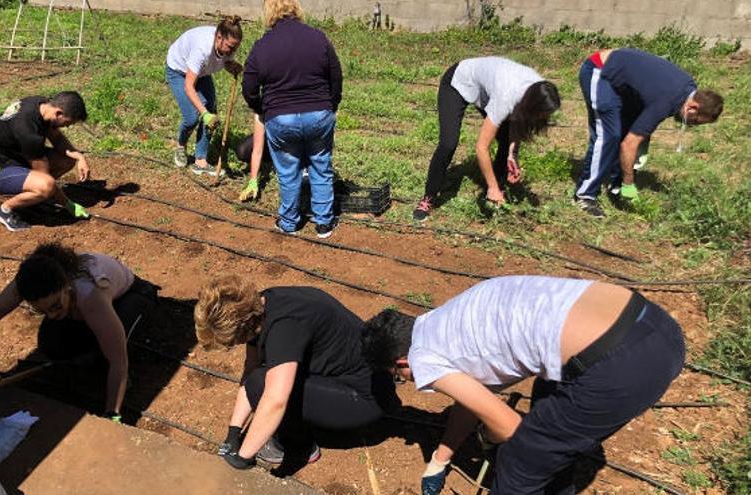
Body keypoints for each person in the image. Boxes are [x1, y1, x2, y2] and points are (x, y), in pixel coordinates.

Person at [363, 275, 685, 494]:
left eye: (398, 377)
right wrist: (440, 459)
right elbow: (472, 398)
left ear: (402, 363)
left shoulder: (423, 358)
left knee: (519, 458)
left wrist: (489, 436)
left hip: (624, 365)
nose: (406, 379)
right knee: (546, 400)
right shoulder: (443, 322)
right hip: (654, 324)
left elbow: (507, 426)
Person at [0, 243, 160, 420]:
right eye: (43, 310)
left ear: (66, 287)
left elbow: (119, 362)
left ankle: (104, 358)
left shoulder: (91, 295)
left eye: (56, 306)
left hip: (133, 297)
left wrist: (113, 414)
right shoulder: (31, 280)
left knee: (109, 352)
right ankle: (90, 345)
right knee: (52, 345)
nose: (51, 315)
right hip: (78, 308)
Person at [194, 276, 398, 470]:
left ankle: (299, 447)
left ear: (242, 326)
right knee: (261, 377)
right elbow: (251, 368)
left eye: (232, 342)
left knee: (263, 384)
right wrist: (233, 433)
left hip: (365, 398)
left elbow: (276, 400)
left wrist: (243, 456)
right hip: (348, 378)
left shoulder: (284, 328)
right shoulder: (259, 307)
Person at [574, 48, 723, 218]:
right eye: (695, 121)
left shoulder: (688, 91)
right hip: (600, 70)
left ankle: (616, 186)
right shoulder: (667, 101)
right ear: (692, 108)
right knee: (609, 135)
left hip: (625, 87)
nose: (691, 125)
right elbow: (629, 144)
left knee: (631, 130)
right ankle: (585, 195)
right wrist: (629, 183)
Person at [413, 57, 561, 222]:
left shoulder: (539, 88)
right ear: (533, 105)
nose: (543, 119)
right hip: (457, 82)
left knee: (505, 142)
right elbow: (481, 148)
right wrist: (491, 187)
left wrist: (513, 154)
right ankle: (429, 198)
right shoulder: (506, 96)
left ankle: (496, 188)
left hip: (486, 91)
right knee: (448, 143)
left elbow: (517, 120)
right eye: (541, 115)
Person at [242, 0, 342, 238]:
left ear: (269, 12)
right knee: (321, 165)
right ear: (296, 9)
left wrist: (263, 109)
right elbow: (335, 76)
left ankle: (289, 222)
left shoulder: (262, 46)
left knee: (288, 171)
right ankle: (324, 223)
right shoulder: (318, 38)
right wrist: (331, 105)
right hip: (319, 113)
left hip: (281, 117)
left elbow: (249, 88)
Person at [0, 91, 91, 232]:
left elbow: (58, 139)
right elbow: (45, 177)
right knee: (45, 186)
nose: (67, 127)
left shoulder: (41, 105)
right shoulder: (27, 131)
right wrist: (68, 204)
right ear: (59, 113)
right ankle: (4, 210)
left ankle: (34, 199)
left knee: (67, 159)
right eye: (67, 123)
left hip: (15, 157)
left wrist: (79, 157)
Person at [166, 16, 244, 176]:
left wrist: (232, 66)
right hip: (178, 71)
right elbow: (188, 87)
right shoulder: (202, 49)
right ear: (219, 38)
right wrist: (204, 114)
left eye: (235, 48)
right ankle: (180, 146)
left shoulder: (226, 47)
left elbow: (224, 61)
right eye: (230, 47)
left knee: (211, 113)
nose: (232, 52)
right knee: (191, 118)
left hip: (202, 73)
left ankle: (200, 161)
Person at [234, 114, 271, 202]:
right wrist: (253, 180)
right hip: (269, 133)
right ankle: (267, 160)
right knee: (242, 151)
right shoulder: (262, 105)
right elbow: (257, 147)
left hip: (290, 137)